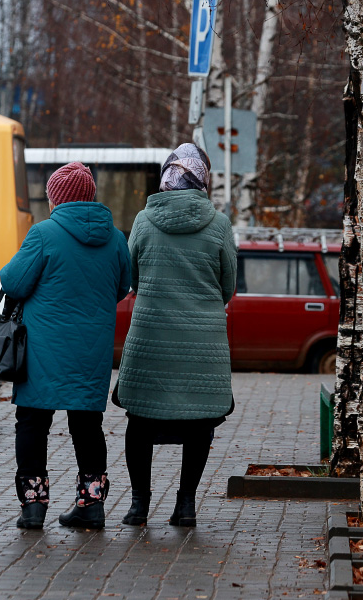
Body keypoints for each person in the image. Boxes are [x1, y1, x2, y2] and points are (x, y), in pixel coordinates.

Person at [0, 161, 130, 530]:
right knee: (87, 424)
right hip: (92, 350)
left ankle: (34, 506)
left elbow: (14, 283)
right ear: (90, 195)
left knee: (32, 422)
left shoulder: (44, 233)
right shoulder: (116, 238)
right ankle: (90, 505)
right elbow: (122, 287)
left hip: (43, 349)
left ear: (56, 197)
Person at [115, 143, 237, 527]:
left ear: (166, 176)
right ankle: (185, 506)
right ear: (203, 178)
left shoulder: (143, 220)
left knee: (140, 421)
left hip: (150, 335)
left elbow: (131, 275)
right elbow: (228, 285)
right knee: (199, 423)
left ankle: (138, 506)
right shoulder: (218, 224)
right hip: (203, 340)